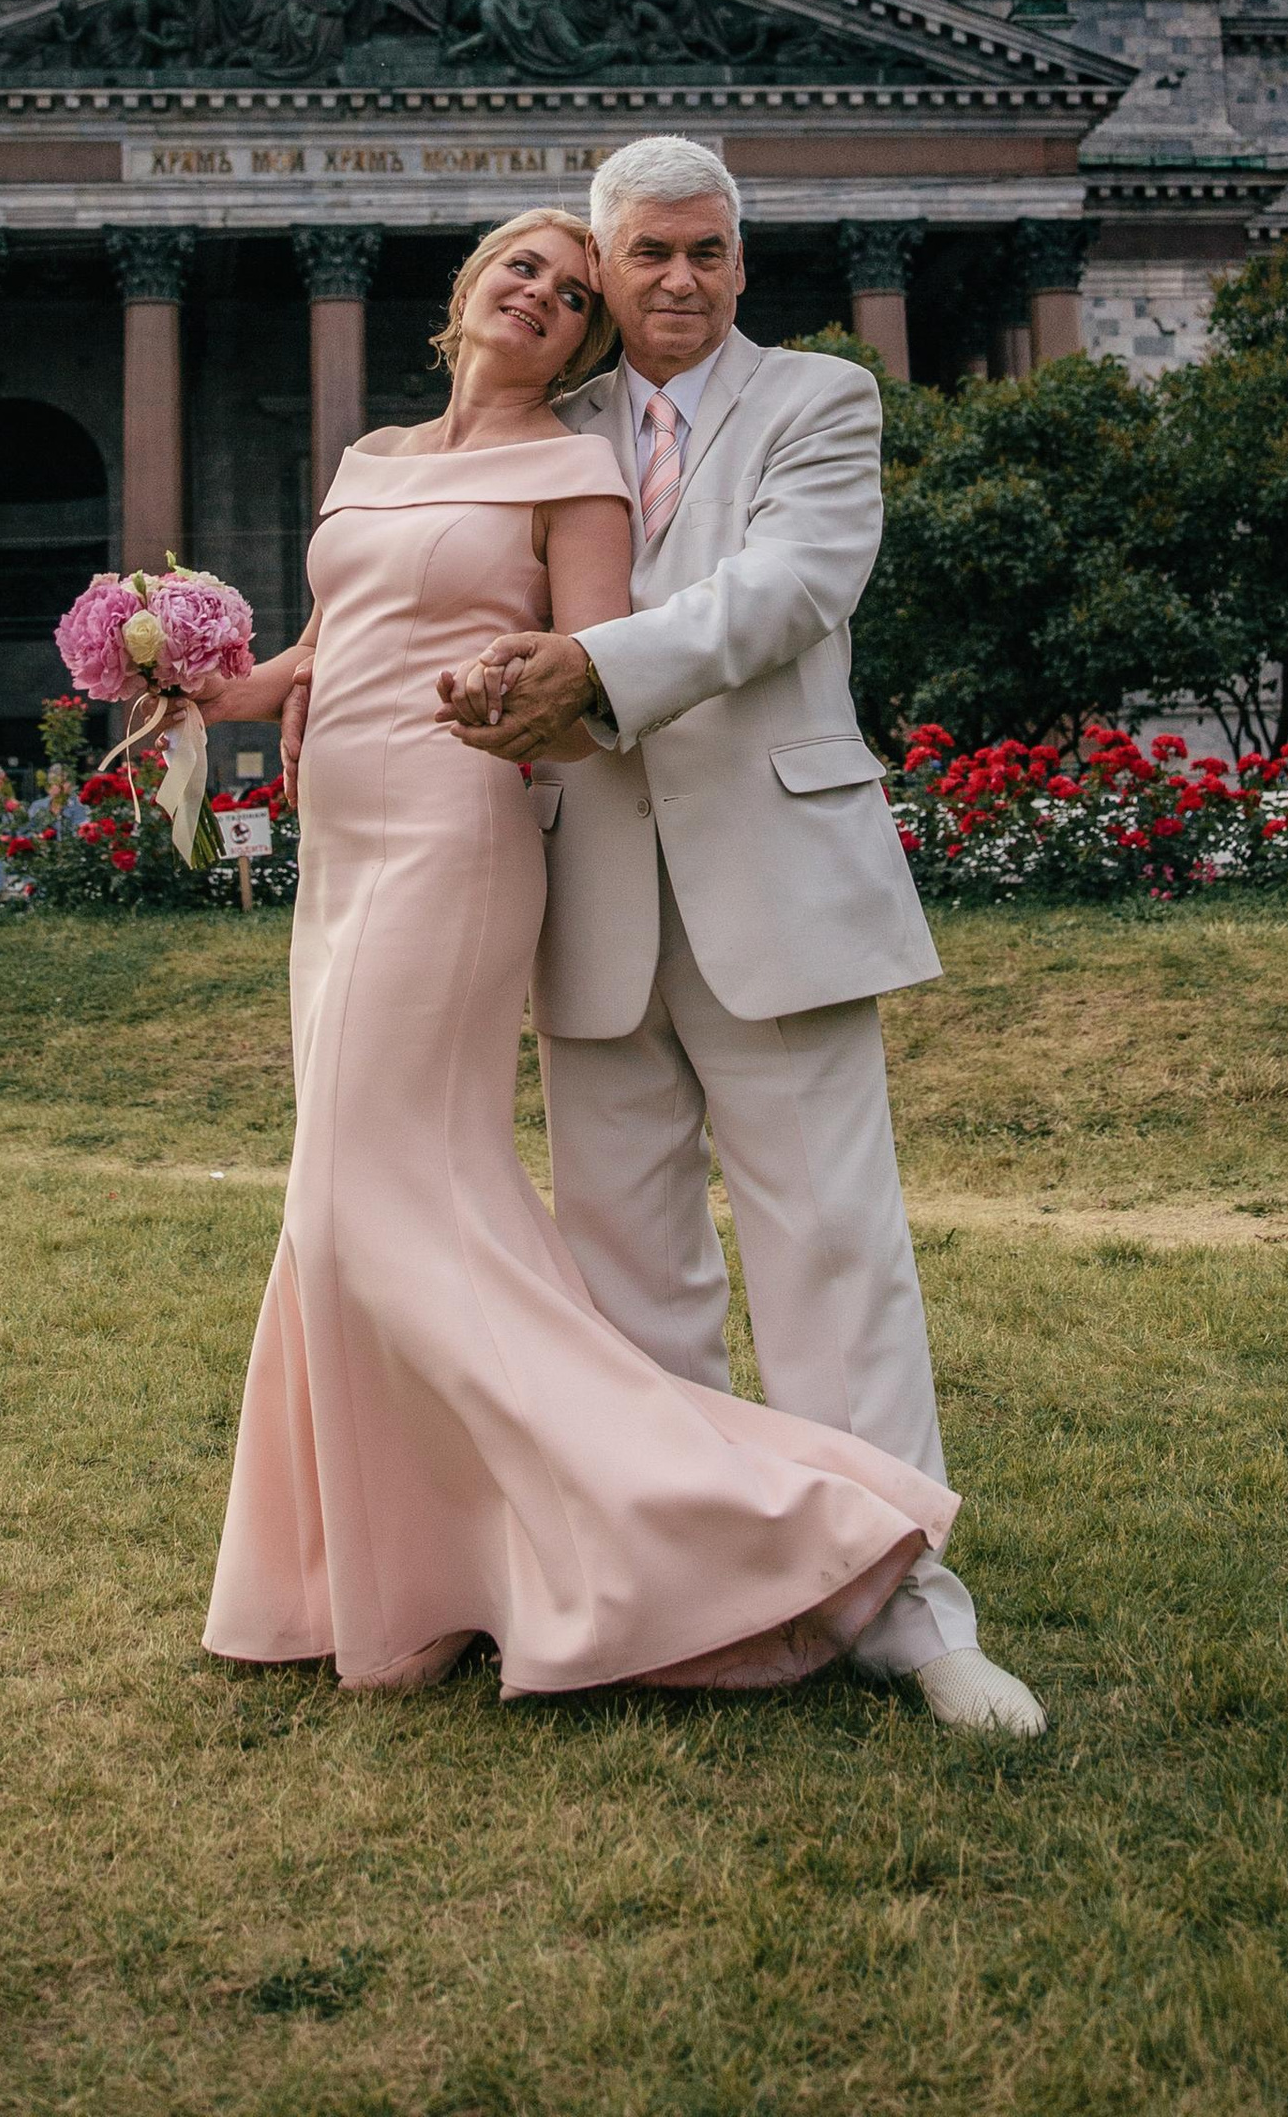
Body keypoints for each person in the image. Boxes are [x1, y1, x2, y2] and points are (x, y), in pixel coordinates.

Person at [193, 208, 959, 1702]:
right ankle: (398, 1583)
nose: (543, 291)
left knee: (379, 1212)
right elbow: (333, 643)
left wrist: (519, 687)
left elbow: (593, 664)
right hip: (342, 860)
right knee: (344, 1210)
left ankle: (780, 1529)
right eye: (520, 266)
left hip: (454, 844)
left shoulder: (585, 462)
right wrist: (202, 678)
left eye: (569, 283)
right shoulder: (371, 463)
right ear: (464, 289)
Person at [432, 133, 1044, 1739]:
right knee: (630, 1282)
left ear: (742, 263)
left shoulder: (820, 404)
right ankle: (689, 1593)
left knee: (836, 1256)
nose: (683, 280)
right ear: (608, 269)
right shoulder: (546, 432)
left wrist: (590, 669)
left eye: (708, 252)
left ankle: (906, 1609)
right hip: (591, 898)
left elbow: (792, 589)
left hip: (775, 878)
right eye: (651, 257)